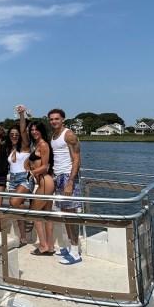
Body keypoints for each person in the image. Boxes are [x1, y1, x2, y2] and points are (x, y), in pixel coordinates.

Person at [48, 108, 83, 265]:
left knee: (71, 214)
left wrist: (70, 182)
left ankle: (75, 252)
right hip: (58, 177)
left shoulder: (69, 134)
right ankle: (69, 246)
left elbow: (76, 159)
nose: (54, 121)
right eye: (52, 119)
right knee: (64, 213)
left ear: (63, 119)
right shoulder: (53, 136)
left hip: (68, 177)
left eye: (57, 118)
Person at [26, 120, 57, 256]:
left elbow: (45, 166)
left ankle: (43, 246)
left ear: (41, 130)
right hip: (45, 181)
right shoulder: (38, 144)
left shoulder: (43, 145)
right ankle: (50, 246)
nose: (33, 132)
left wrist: (32, 172)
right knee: (47, 214)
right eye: (31, 130)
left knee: (34, 212)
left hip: (45, 181)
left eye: (36, 129)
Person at [4, 106, 32, 247]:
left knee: (15, 202)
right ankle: (23, 238)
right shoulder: (10, 148)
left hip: (24, 178)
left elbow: (23, 129)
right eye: (11, 135)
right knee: (15, 205)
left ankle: (27, 221)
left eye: (16, 135)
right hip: (13, 179)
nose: (14, 136)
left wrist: (22, 115)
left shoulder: (25, 146)